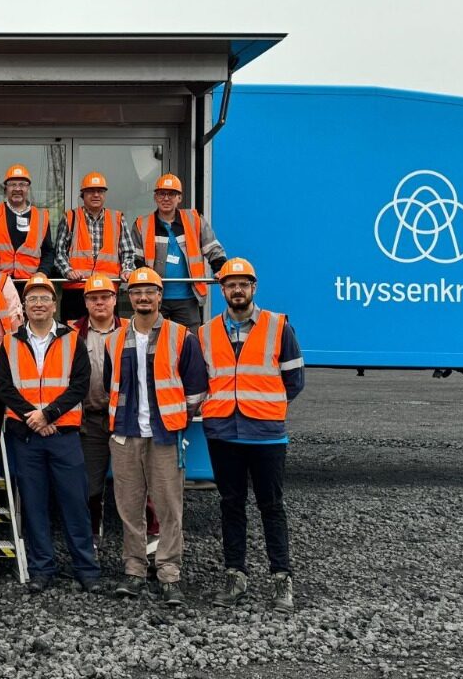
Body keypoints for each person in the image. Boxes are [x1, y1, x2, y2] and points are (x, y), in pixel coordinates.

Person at [197, 258, 305, 612]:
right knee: (231, 505)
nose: (237, 290)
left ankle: (281, 579)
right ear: (222, 290)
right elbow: (201, 380)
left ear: (253, 288)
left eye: (243, 284)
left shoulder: (278, 326)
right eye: (231, 285)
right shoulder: (206, 332)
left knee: (271, 506)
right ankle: (235, 575)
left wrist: (265, 406)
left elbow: (294, 380)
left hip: (266, 434)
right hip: (223, 433)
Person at [105, 268, 210, 607]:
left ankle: (168, 573)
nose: (143, 297)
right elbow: (110, 384)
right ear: (129, 297)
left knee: (169, 508)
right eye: (137, 292)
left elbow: (196, 388)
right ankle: (134, 570)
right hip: (126, 434)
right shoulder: (113, 340)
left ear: (160, 296)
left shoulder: (181, 337)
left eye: (150, 291)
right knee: (129, 507)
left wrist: (178, 418)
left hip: (165, 435)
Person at [0, 274, 103, 594]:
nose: (39, 304)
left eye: (45, 298)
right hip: (27, 436)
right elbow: (5, 388)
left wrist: (49, 414)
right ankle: (42, 569)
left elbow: (80, 385)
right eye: (33, 299)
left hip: (64, 435)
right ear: (24, 306)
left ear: (55, 305)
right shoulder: (8, 342)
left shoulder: (73, 339)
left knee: (75, 503)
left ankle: (86, 569)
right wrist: (35, 417)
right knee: (34, 505)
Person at [70, 273, 154, 547]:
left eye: (105, 297)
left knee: (137, 481)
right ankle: (93, 534)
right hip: (90, 420)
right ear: (85, 302)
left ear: (115, 300)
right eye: (93, 298)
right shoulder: (71, 333)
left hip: (126, 420)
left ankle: (148, 538)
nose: (99, 302)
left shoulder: (132, 329)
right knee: (90, 482)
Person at [133, 174, 227, 327]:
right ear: (155, 197)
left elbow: (212, 248)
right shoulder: (141, 224)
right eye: (162, 194)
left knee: (189, 339)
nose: (166, 198)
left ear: (179, 198)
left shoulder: (194, 220)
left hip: (187, 298)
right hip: (153, 298)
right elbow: (136, 259)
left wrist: (220, 268)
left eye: (171, 194)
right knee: (153, 340)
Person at [55, 172, 139, 322]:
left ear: (104, 195)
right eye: (90, 191)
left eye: (100, 191)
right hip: (76, 290)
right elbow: (59, 252)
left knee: (108, 332)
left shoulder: (117, 218)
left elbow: (128, 252)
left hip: (107, 291)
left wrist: (127, 270)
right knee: (74, 333)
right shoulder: (70, 217)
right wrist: (68, 271)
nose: (95, 195)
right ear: (83, 195)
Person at [0, 164, 55, 281]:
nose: (17, 189)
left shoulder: (41, 216)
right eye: (12, 184)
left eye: (22, 184)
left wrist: (42, 272)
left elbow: (48, 251)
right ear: (6, 188)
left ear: (28, 188)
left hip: (30, 282)